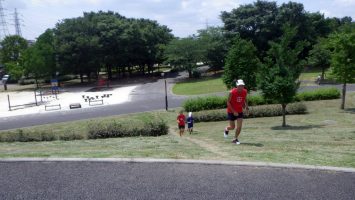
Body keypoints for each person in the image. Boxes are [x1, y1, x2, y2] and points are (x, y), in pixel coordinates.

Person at [224, 79, 249, 145]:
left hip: (239, 111)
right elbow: (228, 102)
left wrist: (246, 106)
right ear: (237, 86)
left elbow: (245, 98)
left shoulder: (245, 91)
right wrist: (233, 111)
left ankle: (235, 139)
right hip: (231, 111)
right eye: (240, 86)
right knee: (232, 127)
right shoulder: (231, 92)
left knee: (239, 126)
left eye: (242, 85)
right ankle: (226, 129)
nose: (241, 87)